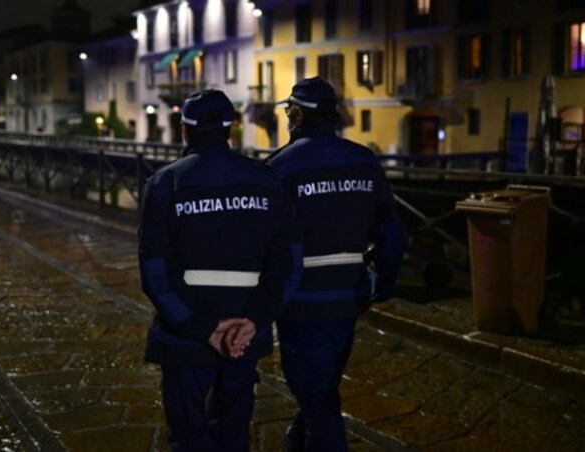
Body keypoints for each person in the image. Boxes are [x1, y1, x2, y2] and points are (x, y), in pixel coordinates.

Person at [137, 89, 303, 451]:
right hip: (244, 336)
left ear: (185, 130)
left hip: (184, 337)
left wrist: (203, 328)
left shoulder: (165, 183)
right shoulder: (267, 181)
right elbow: (288, 263)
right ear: (230, 128)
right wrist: (254, 321)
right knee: (233, 433)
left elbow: (154, 274)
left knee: (188, 435)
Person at [266, 77, 407, 452]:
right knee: (322, 385)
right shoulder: (364, 160)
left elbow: (261, 242)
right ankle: (297, 441)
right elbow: (393, 235)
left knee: (315, 394)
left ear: (297, 115)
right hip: (349, 297)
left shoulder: (279, 167)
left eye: (287, 112)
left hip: (301, 302)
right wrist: (385, 284)